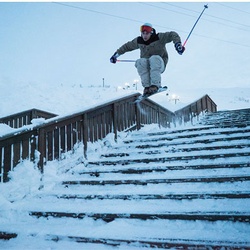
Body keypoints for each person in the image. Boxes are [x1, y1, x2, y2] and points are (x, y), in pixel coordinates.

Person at [110, 23, 185, 96]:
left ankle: (155, 85)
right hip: (147, 65)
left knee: (154, 58)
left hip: (159, 63)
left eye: (147, 33)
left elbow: (172, 34)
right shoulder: (139, 41)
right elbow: (127, 46)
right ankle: (147, 88)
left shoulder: (159, 37)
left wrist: (178, 44)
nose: (145, 35)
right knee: (140, 61)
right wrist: (115, 55)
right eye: (143, 33)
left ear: (151, 33)